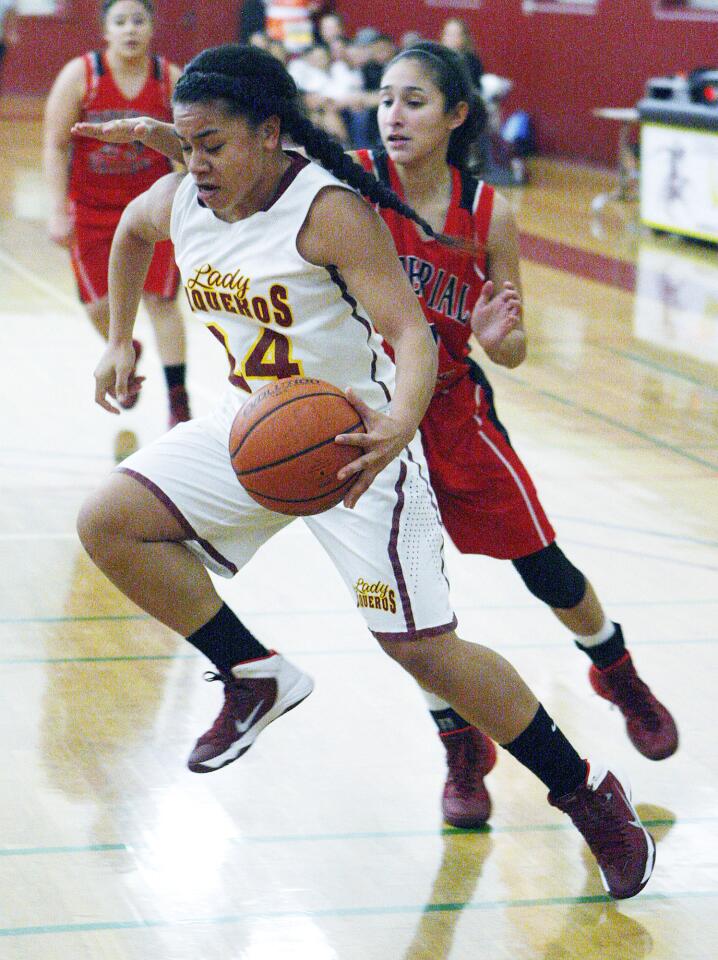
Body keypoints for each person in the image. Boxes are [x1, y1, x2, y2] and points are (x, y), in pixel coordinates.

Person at [74, 42, 655, 901]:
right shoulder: (183, 197)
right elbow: (128, 233)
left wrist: (397, 427)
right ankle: (253, 672)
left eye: (213, 145)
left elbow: (413, 334)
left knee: (423, 650)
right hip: (256, 425)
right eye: (185, 145)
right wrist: (120, 338)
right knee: (108, 521)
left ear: (271, 135)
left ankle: (587, 793)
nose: (194, 163)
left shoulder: (330, 213)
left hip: (353, 437)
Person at [352, 41, 678, 826]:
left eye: (414, 101)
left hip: (457, 413)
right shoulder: (352, 180)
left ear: (457, 114)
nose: (393, 114)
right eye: (386, 98)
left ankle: (614, 668)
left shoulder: (489, 209)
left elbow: (515, 345)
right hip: (368, 415)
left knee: (544, 563)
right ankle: (461, 743)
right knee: (412, 607)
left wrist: (500, 335)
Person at [43, 0, 191, 430]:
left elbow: (190, 141)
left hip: (152, 206)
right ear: (104, 30)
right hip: (92, 208)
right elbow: (56, 145)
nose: (130, 29)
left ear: (151, 27)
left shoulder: (169, 77)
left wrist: (190, 198)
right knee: (97, 305)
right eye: (120, 21)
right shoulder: (82, 75)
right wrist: (57, 210)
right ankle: (123, 345)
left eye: (139, 20)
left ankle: (177, 401)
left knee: (162, 301)